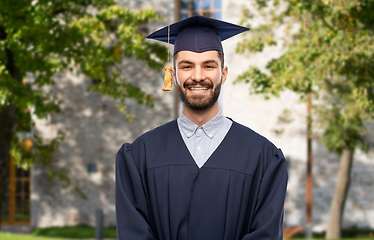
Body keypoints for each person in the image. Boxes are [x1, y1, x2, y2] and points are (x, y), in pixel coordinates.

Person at [115, 15, 288, 240]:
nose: (198, 76)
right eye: (187, 66)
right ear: (174, 75)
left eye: (208, 65)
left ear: (223, 74)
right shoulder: (139, 156)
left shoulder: (263, 157)